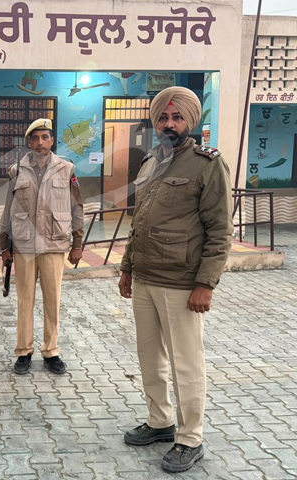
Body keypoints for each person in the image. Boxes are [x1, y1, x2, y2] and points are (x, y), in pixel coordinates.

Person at [118, 87, 233, 473]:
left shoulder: (207, 164)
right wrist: (127, 267)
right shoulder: (151, 160)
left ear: (191, 121)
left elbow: (220, 231)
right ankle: (160, 421)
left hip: (182, 283)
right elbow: (140, 221)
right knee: (150, 358)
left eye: (177, 117)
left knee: (186, 363)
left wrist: (206, 284)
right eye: (163, 118)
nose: (169, 124)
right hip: (146, 279)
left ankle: (190, 438)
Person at [0, 118, 84, 375]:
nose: (40, 142)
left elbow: (77, 208)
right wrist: (4, 245)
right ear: (29, 142)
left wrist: (77, 243)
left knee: (52, 300)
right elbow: (7, 210)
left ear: (52, 140)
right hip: (24, 245)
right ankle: (24, 351)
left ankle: (51, 351)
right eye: (35, 138)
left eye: (45, 137)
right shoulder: (17, 171)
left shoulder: (67, 169)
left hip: (54, 244)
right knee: (25, 300)